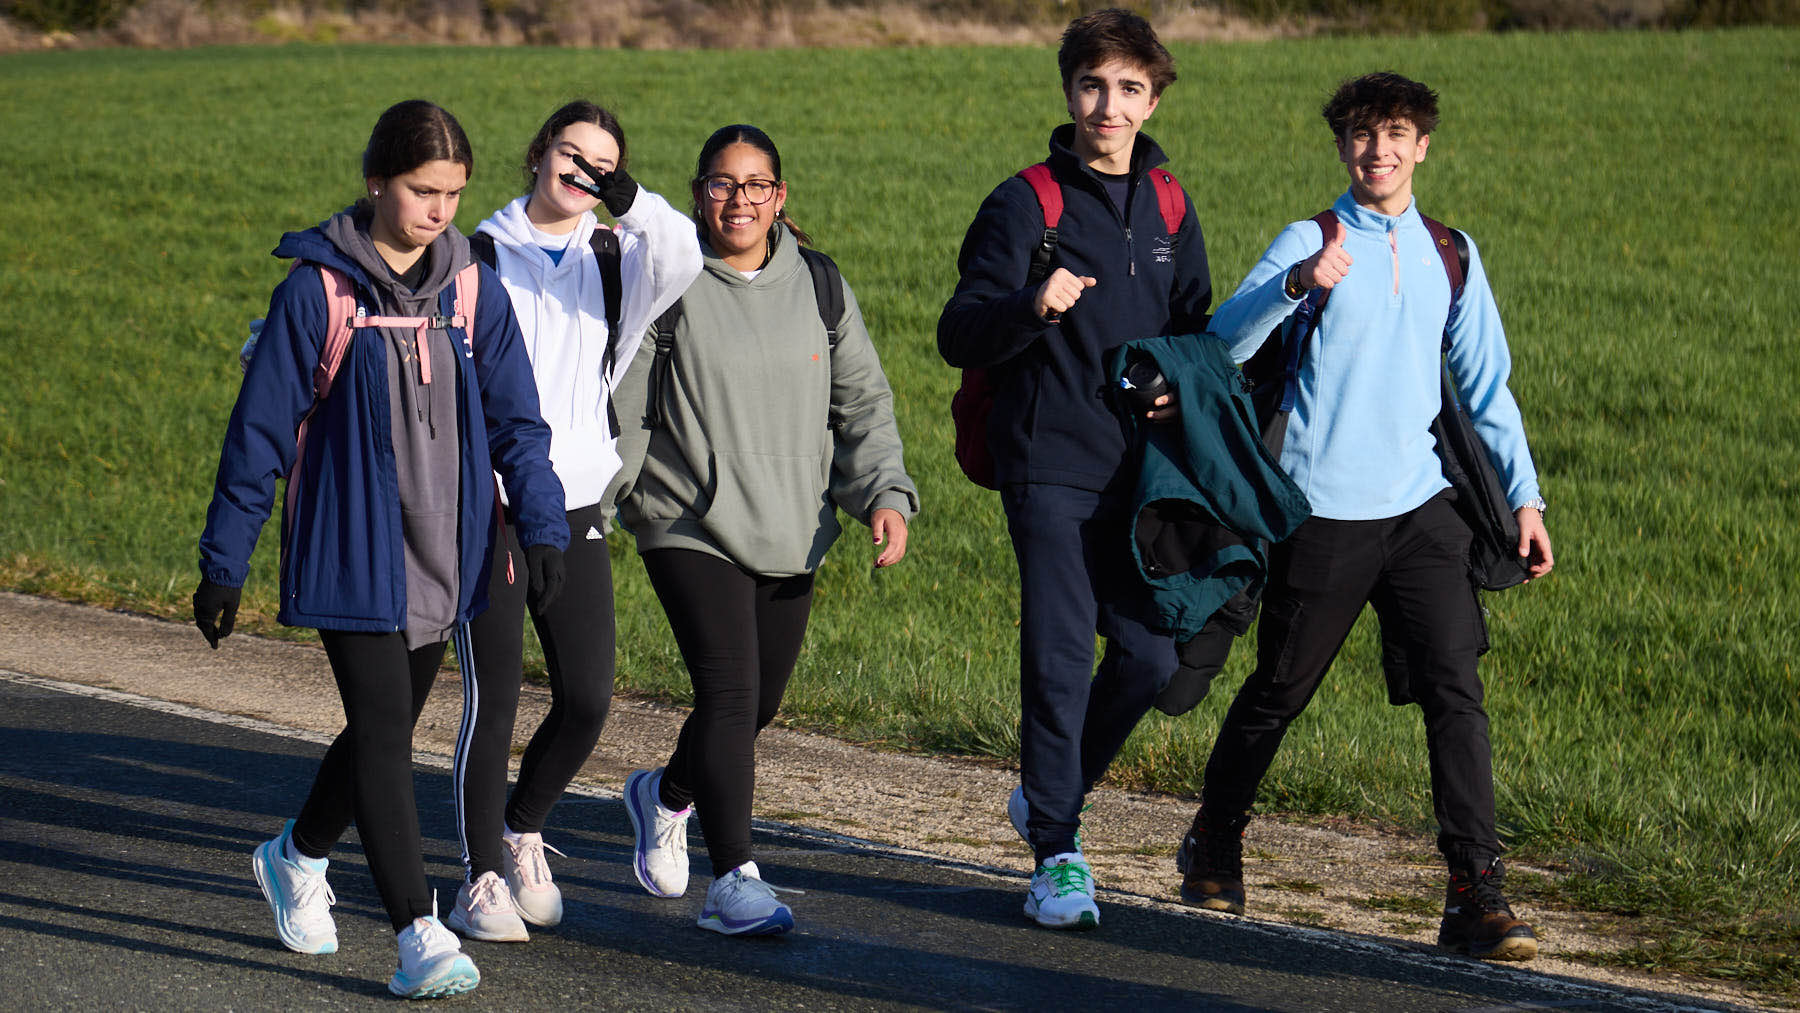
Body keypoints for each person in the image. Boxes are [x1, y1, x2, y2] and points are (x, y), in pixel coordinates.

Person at [193, 99, 569, 998]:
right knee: (386, 742)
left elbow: (519, 420)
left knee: (380, 731)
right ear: (377, 179)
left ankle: (296, 854)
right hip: (352, 554)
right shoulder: (316, 292)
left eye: (452, 192)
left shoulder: (472, 287)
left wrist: (544, 526)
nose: (440, 209)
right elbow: (258, 434)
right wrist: (223, 561)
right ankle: (417, 935)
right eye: (421, 189)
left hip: (448, 553)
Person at [1178, 71, 1554, 962]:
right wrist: (1297, 284)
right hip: (1321, 509)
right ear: (1341, 148)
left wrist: (1525, 497)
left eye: (1394, 135)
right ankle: (1217, 835)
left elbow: (1485, 385)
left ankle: (1475, 891)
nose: (1377, 151)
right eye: (1359, 136)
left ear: (1422, 145)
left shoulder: (1451, 252)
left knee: (1456, 692)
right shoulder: (1310, 239)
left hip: (1424, 509)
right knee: (1280, 690)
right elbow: (1222, 343)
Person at [937, 8, 1212, 931]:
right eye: (1094, 85)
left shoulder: (1171, 203)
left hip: (1142, 474)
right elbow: (958, 329)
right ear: (1070, 91)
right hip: (1047, 462)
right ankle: (1058, 848)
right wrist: (1033, 304)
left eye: (1129, 88)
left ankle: (1048, 794)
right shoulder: (1027, 202)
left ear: (1152, 97)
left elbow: (1197, 332)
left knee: (1149, 656)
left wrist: (1185, 390)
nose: (1110, 104)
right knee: (1058, 658)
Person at [614, 124, 919, 937]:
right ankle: (735, 876)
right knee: (729, 691)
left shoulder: (819, 283)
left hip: (791, 518)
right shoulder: (667, 281)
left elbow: (861, 402)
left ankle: (666, 794)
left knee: (757, 705)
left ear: (780, 196)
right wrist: (585, 511)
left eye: (756, 185)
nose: (739, 200)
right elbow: (622, 409)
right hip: (687, 518)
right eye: (722, 184)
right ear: (698, 193)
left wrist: (884, 492)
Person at [445, 101, 702, 942]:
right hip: (488, 502)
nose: (583, 170)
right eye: (570, 152)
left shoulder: (618, 254)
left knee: (589, 695)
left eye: (602, 163)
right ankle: (481, 875)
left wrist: (630, 200)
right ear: (537, 153)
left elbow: (684, 254)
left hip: (579, 497)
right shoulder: (475, 253)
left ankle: (523, 828)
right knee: (494, 698)